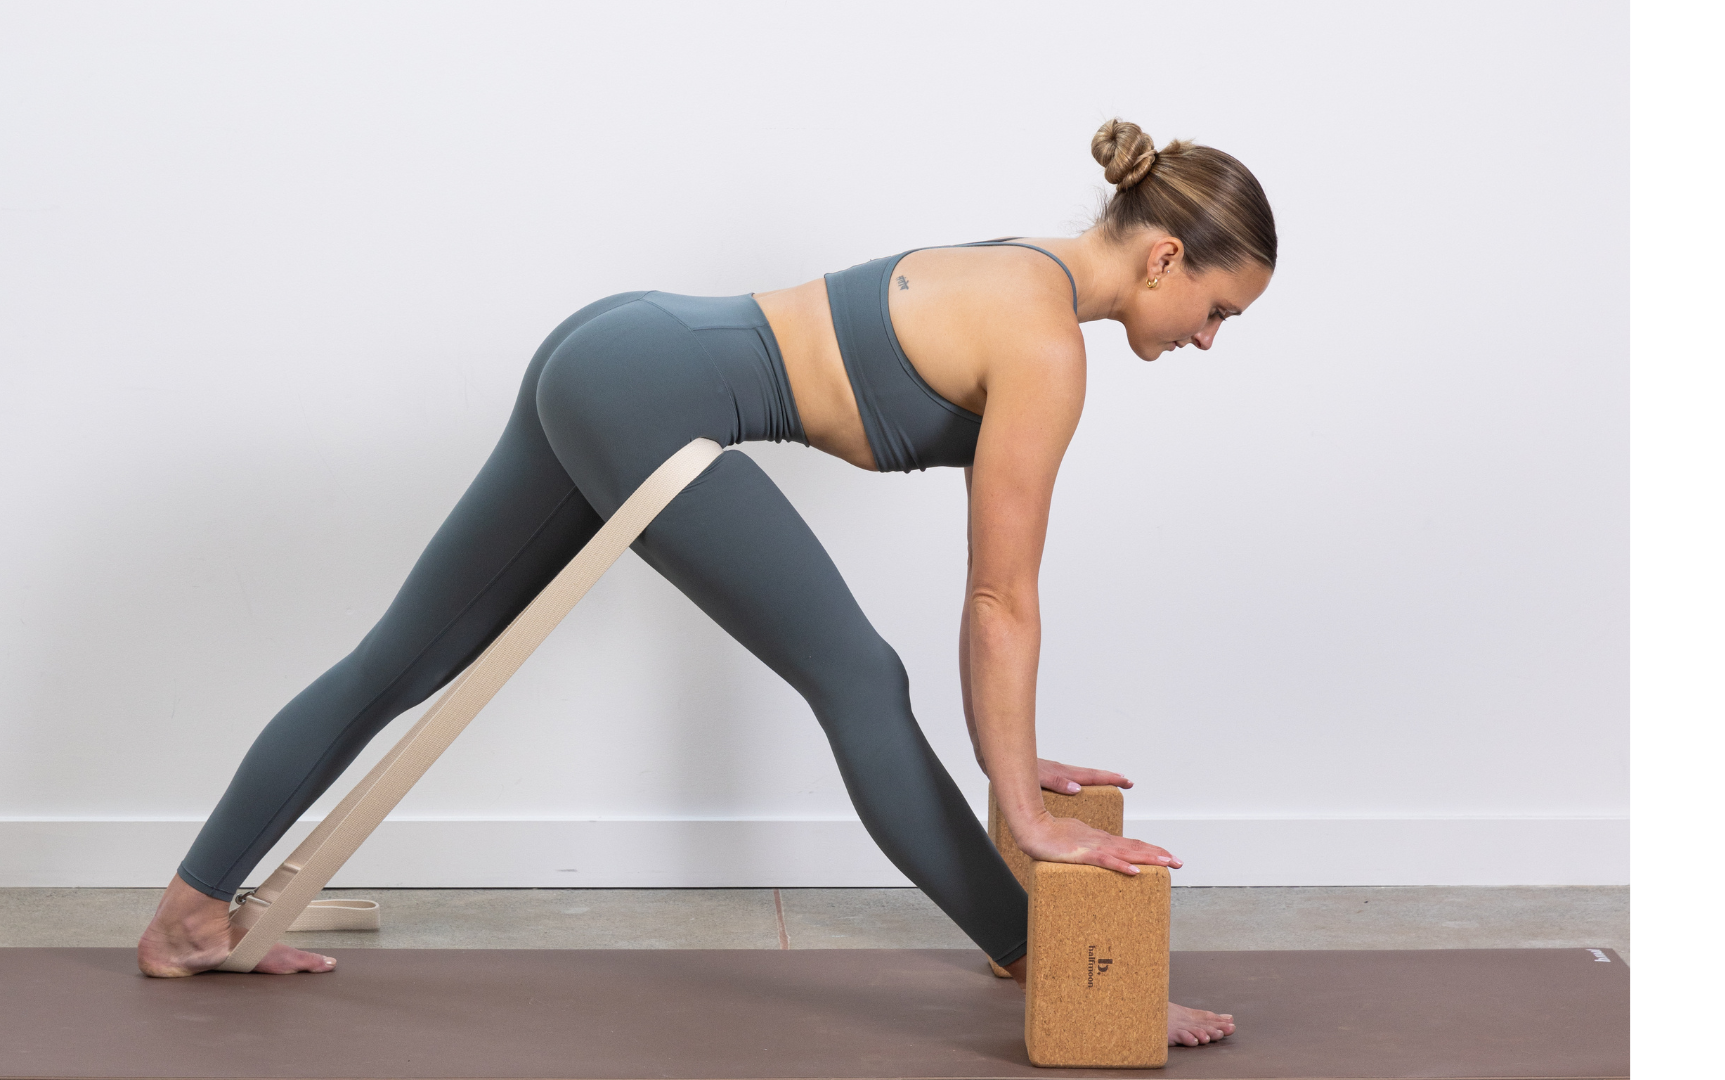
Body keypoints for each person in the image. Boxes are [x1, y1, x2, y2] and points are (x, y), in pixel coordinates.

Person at [137, 118, 1273, 1049]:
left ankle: (190, 917)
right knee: (859, 679)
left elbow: (997, 599)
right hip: (649, 394)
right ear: (1165, 257)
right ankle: (1051, 964)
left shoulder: (1022, 271)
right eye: (1219, 310)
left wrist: (1015, 771)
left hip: (618, 349)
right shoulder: (1045, 346)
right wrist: (1023, 817)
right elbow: (1001, 599)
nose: (1212, 340)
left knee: (410, 657)